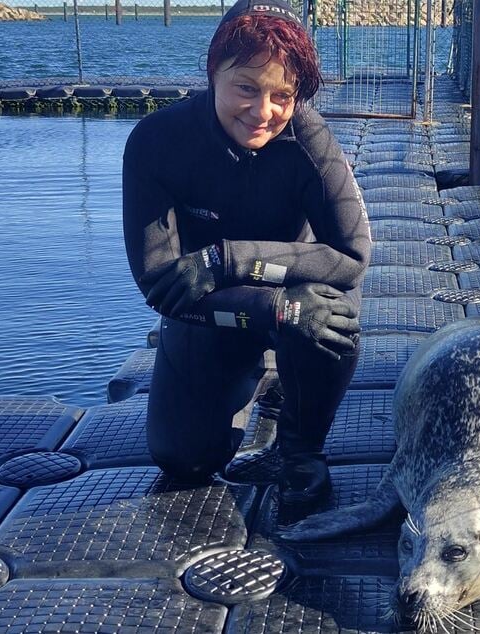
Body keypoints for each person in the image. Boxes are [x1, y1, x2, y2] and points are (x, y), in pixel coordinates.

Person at [122, 0, 371, 511]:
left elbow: (351, 256)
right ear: (214, 72)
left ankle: (300, 448)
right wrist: (261, 304)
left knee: (329, 316)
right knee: (183, 457)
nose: (263, 112)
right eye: (245, 88)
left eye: (283, 94)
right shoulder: (157, 142)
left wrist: (227, 259)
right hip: (211, 307)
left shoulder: (310, 139)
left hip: (295, 294)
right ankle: (261, 373)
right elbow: (158, 283)